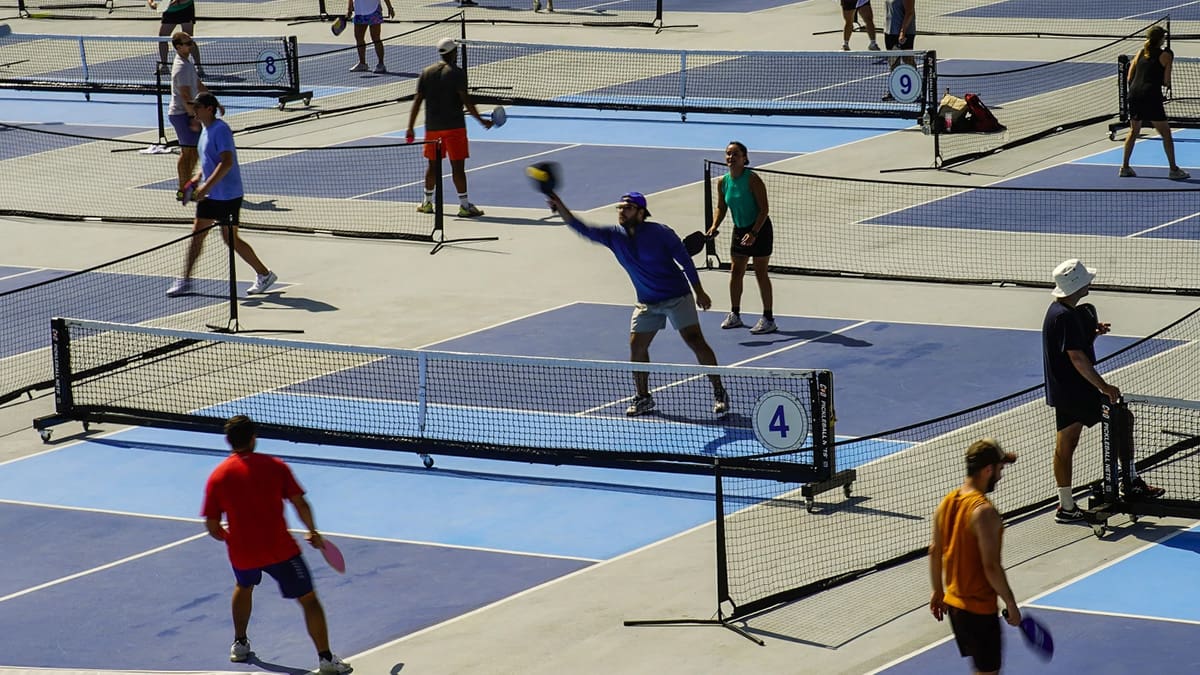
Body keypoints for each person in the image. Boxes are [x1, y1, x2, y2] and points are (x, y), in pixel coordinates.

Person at [546, 189, 730, 417]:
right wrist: (560, 205)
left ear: (641, 213)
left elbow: (685, 261)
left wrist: (699, 291)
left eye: (628, 207)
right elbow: (580, 227)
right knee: (637, 346)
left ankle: (719, 391)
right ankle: (643, 397)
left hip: (677, 296)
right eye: (620, 207)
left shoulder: (661, 233)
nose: (622, 211)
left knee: (695, 341)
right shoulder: (613, 235)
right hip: (647, 302)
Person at [202, 416, 351, 674]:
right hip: (280, 551)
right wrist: (313, 532)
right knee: (309, 600)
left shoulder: (217, 477)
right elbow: (300, 503)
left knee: (244, 585)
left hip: (242, 553)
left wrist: (232, 539)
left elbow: (213, 527)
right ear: (253, 438)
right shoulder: (275, 466)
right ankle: (326, 659)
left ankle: (239, 644)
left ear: (229, 441)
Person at [1042, 259, 1162, 523]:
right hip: (1075, 391)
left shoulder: (1061, 312)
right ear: (1078, 285)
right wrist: (1104, 387)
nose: (1091, 283)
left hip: (1066, 391)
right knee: (1119, 421)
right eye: (1087, 280)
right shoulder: (1064, 316)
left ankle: (1067, 505)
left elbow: (1073, 348)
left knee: (1068, 444)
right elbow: (1077, 359)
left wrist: (1093, 335)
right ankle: (1128, 481)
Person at [167, 92, 277, 297]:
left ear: (209, 109)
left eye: (198, 108)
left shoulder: (221, 130)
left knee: (230, 239)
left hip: (228, 196)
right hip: (211, 197)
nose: (194, 111)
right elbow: (209, 161)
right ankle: (185, 280)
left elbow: (226, 162)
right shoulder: (205, 131)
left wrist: (206, 188)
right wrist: (195, 180)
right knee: (197, 236)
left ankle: (264, 274)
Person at [929, 439, 1022, 675]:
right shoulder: (984, 512)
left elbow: (934, 550)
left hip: (955, 606)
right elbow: (990, 566)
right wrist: (1010, 603)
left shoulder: (947, 502)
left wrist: (938, 591)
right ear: (988, 470)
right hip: (979, 609)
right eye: (1000, 469)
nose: (1000, 476)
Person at [405, 37, 492, 219]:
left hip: (432, 129)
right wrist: (481, 121)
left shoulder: (426, 72)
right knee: (458, 167)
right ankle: (464, 206)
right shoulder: (458, 74)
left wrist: (411, 127)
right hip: (455, 128)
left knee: (432, 166)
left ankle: (427, 203)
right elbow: (466, 101)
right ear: (452, 53)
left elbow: (417, 101)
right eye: (456, 51)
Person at [708, 141, 776, 335]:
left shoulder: (753, 179)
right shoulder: (723, 182)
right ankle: (735, 314)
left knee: (760, 273)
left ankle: (768, 318)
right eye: (728, 154)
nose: (731, 157)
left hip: (760, 230)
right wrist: (714, 226)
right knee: (735, 272)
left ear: (744, 158)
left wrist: (753, 233)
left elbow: (764, 209)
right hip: (739, 231)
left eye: (735, 154)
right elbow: (721, 207)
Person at [1119, 25, 1190, 180]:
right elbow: (1166, 81)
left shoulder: (1139, 53)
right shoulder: (1165, 56)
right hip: (1150, 95)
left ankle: (1124, 167)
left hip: (1134, 94)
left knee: (1134, 131)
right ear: (1161, 39)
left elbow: (1130, 77)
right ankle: (1173, 170)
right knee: (1166, 133)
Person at [166, 31, 216, 202]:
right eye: (188, 43)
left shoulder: (187, 63)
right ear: (179, 47)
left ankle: (187, 186)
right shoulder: (180, 66)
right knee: (188, 152)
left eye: (191, 42)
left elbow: (197, 84)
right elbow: (185, 95)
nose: (191, 45)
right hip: (182, 114)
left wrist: (213, 100)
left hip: (187, 113)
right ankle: (183, 189)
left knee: (192, 152)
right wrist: (193, 118)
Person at [147, 0, 203, 77]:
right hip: (170, 12)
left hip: (185, 9)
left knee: (188, 38)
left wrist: (175, 3)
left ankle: (198, 66)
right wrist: (151, 3)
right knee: (162, 37)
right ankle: (164, 66)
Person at [346, 0, 395, 74]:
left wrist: (390, 7)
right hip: (359, 11)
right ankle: (362, 64)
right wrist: (349, 8)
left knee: (376, 38)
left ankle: (381, 64)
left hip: (374, 10)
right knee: (359, 38)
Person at [881, 0, 916, 101]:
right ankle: (893, 90)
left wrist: (902, 32)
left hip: (905, 32)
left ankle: (915, 89)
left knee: (908, 60)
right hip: (889, 31)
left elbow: (909, 12)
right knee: (893, 62)